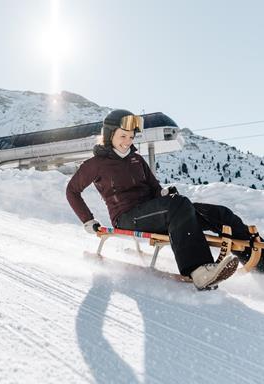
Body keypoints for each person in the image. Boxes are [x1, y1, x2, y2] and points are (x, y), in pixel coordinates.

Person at [66, 109, 261, 290]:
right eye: (122, 136)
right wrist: (87, 220)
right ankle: (199, 270)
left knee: (220, 213)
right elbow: (72, 191)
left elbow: (154, 189)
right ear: (109, 135)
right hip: (127, 217)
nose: (127, 141)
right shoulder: (96, 164)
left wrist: (163, 194)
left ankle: (260, 264)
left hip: (154, 212)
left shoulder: (137, 159)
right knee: (179, 204)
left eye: (131, 136)